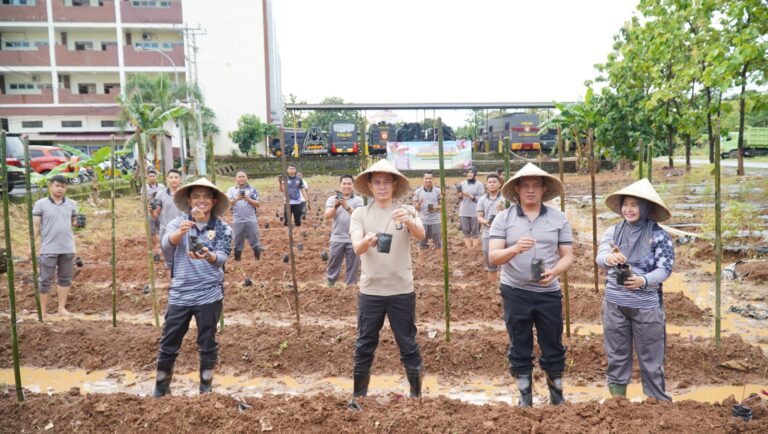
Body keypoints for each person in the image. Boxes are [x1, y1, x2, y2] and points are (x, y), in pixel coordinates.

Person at [488, 163, 574, 407]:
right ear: (516, 190)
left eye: (535, 186)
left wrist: (554, 271)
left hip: (549, 292)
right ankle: (525, 397)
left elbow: (567, 255)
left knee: (553, 344)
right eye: (525, 186)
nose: (530, 191)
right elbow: (493, 257)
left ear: (543, 189)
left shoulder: (559, 219)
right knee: (520, 344)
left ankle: (556, 397)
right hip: (515, 291)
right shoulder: (503, 219)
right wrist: (515, 248)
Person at [348, 159, 425, 410]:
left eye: (386, 182)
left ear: (394, 185)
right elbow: (357, 248)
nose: (382, 187)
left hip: (402, 290)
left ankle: (416, 396)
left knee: (408, 342)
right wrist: (367, 241)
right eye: (377, 182)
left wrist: (410, 221)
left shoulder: (406, 211)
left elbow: (422, 235)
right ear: (369, 186)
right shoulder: (360, 214)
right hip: (371, 291)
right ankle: (358, 396)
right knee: (364, 343)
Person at [596, 178, 675, 401]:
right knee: (616, 356)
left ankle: (656, 404)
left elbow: (664, 269)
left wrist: (643, 280)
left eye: (635, 205)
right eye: (625, 204)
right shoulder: (613, 232)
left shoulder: (659, 236)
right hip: (615, 305)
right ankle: (618, 404)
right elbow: (600, 257)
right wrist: (610, 258)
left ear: (646, 207)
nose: (628, 209)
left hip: (647, 307)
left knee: (651, 359)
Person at [153, 178, 232, 397]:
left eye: (206, 196)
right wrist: (180, 233)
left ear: (214, 201)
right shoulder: (177, 223)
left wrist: (208, 255)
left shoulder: (222, 227)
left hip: (209, 294)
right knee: (169, 342)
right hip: (180, 294)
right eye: (196, 196)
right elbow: (166, 245)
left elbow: (223, 257)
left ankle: (205, 389)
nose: (201, 201)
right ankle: (161, 388)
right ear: (189, 200)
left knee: (207, 343)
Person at [32, 175, 80, 319]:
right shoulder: (40, 204)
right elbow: (35, 226)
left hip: (67, 247)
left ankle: (61, 308)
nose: (60, 189)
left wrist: (79, 223)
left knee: (65, 279)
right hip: (48, 248)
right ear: (50, 186)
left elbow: (74, 222)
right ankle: (43, 310)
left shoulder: (71, 203)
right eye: (57, 186)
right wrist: (32, 245)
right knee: (45, 279)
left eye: (63, 186)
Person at [324, 174, 364, 288]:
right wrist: (335, 207)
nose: (347, 186)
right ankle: (330, 283)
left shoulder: (358, 200)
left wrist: (346, 206)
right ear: (340, 185)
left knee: (353, 264)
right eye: (344, 183)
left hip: (354, 237)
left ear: (353, 185)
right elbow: (327, 216)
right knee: (334, 261)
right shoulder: (332, 199)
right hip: (337, 237)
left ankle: (351, 285)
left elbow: (359, 216)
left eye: (349, 184)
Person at [227, 170, 263, 261]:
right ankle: (237, 260)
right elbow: (228, 203)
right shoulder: (231, 190)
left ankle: (257, 258)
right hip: (237, 220)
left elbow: (258, 204)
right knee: (237, 240)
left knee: (254, 239)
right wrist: (236, 199)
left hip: (251, 219)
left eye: (243, 176)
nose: (241, 178)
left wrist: (248, 199)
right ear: (236, 178)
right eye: (239, 177)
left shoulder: (252, 189)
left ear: (247, 178)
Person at [476, 173, 504, 284]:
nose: (492, 184)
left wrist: (503, 209)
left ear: (500, 184)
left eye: (494, 182)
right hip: (488, 232)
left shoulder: (505, 199)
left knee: (504, 259)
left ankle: (503, 286)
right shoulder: (482, 199)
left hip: (503, 232)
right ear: (486, 185)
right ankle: (492, 286)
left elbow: (511, 215)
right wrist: (486, 222)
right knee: (489, 260)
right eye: (490, 182)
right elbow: (479, 217)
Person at [150, 168, 183, 256]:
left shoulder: (185, 193)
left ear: (180, 179)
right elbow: (155, 215)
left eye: (176, 177)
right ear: (167, 179)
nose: (173, 180)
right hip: (166, 229)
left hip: (181, 229)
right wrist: (151, 211)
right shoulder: (161, 194)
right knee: (169, 256)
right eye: (171, 177)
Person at [412, 171, 442, 267]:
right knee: (422, 241)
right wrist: (419, 203)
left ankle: (440, 262)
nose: (428, 180)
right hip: (423, 220)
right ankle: (422, 264)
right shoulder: (418, 192)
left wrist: (436, 208)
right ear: (423, 179)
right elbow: (416, 208)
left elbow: (443, 206)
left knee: (438, 241)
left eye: (430, 178)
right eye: (426, 178)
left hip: (435, 220)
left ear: (433, 180)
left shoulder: (437, 191)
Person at [457, 167, 484, 248]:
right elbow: (459, 198)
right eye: (468, 172)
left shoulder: (479, 184)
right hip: (464, 211)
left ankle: (474, 249)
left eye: (472, 172)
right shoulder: (462, 184)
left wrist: (472, 197)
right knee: (466, 231)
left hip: (475, 212)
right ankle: (469, 249)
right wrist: (460, 194)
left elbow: (482, 198)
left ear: (475, 174)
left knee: (475, 232)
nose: (470, 174)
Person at [146, 169, 165, 262]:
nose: (152, 177)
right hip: (150, 213)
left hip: (160, 213)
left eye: (154, 176)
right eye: (150, 176)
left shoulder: (162, 186)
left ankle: (161, 250)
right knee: (152, 233)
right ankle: (156, 251)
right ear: (147, 177)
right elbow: (143, 199)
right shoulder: (145, 188)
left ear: (156, 177)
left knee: (162, 231)